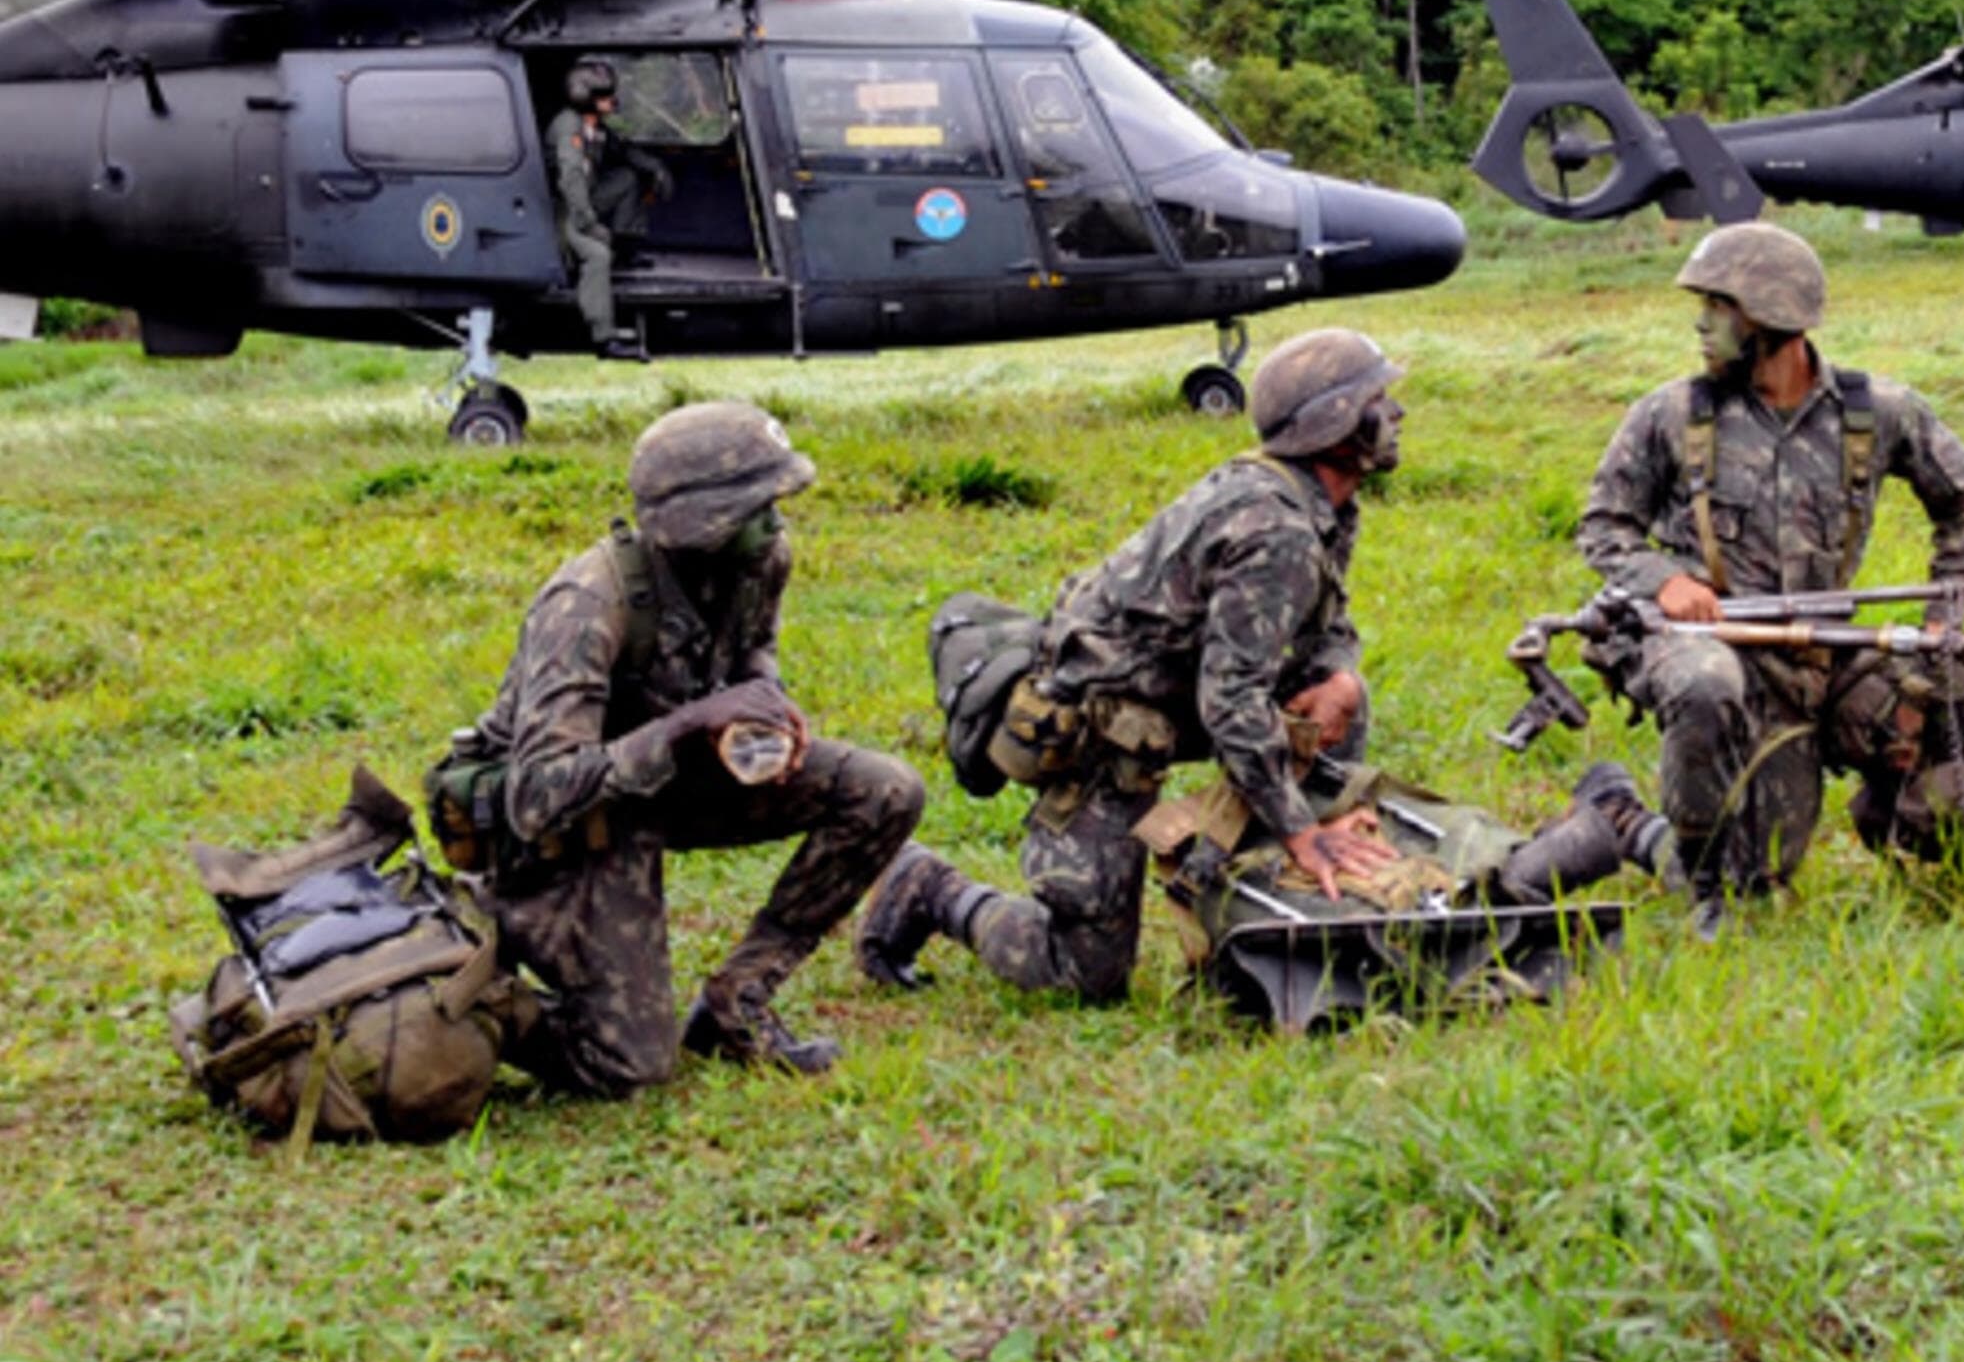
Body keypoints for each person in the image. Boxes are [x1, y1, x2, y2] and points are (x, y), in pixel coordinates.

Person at [857, 327, 1411, 1002]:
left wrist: (1341, 674)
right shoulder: (1276, 530)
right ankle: (929, 889)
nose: (1397, 414)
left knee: (1333, 696)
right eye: (1379, 399)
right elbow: (1230, 702)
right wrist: (1300, 830)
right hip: (1108, 725)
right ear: (1336, 426)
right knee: (1084, 972)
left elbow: (1326, 621)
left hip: (1185, 692)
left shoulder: (1322, 501)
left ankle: (1270, 906)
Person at [451, 401, 925, 1092]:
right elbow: (536, 796)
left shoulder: (761, 557)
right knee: (628, 1066)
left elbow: (754, 648)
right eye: (760, 506)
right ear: (704, 522)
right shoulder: (588, 603)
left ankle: (736, 1003)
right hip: (573, 822)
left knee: (885, 789)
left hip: (666, 781)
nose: (779, 520)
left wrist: (768, 700)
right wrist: (689, 722)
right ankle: (476, 944)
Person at [1574, 222, 1964, 934]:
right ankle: (1686, 861)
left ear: (1772, 317)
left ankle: (1928, 833)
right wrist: (1662, 581)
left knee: (1934, 696)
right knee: (1707, 692)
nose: (1701, 322)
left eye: (1720, 305)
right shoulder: (1672, 414)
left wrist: (1945, 617)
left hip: (1819, 651)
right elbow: (1603, 525)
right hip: (1707, 640)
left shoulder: (1878, 414)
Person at [545, 57, 668, 359]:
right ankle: (604, 338)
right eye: (604, 96)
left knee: (627, 178)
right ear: (586, 98)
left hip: (587, 196)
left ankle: (625, 246)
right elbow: (571, 178)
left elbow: (622, 150)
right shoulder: (569, 127)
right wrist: (588, 224)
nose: (612, 101)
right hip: (565, 209)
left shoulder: (593, 126)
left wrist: (656, 169)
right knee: (598, 256)